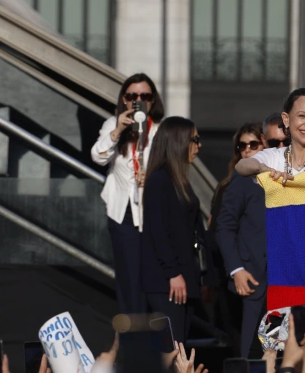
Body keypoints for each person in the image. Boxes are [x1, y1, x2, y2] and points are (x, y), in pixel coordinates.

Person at [91, 73, 164, 314]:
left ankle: (156, 338)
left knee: (151, 277)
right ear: (124, 99)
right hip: (122, 212)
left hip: (152, 214)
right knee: (128, 277)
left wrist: (152, 177)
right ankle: (131, 336)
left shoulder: (160, 131)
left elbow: (174, 169)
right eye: (132, 96)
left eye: (145, 96)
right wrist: (119, 130)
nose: (138, 100)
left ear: (153, 100)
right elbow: (98, 156)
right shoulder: (113, 124)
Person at [141, 116, 210, 343]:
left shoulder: (179, 180)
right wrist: (173, 273)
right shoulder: (159, 181)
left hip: (183, 280)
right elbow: (158, 231)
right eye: (194, 139)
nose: (199, 146)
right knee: (171, 350)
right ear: (178, 141)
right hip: (167, 283)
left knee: (179, 346)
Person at [210, 122, 268, 357]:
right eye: (241, 146)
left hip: (281, 277)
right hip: (250, 277)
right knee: (251, 351)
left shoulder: (281, 175)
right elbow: (221, 228)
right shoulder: (237, 182)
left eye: (252, 144)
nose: (247, 149)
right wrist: (236, 269)